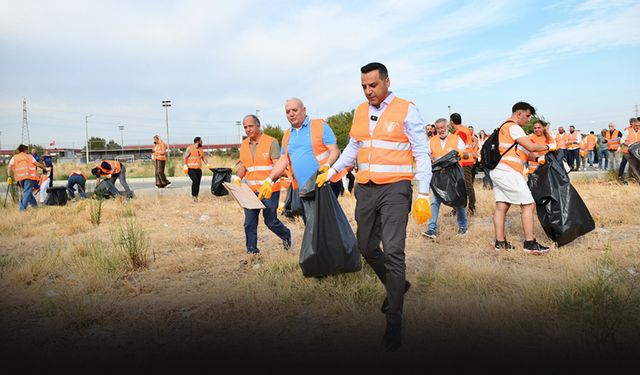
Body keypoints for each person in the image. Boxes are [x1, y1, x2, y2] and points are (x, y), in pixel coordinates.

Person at [315, 62, 432, 352]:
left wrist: (423, 193)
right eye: (364, 87)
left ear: (387, 82)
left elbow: (421, 151)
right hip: (365, 189)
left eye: (373, 86)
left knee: (393, 249)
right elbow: (354, 149)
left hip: (396, 188)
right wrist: (331, 172)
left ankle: (394, 322)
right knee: (366, 247)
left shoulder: (406, 108)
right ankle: (398, 285)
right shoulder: (359, 111)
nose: (369, 91)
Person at [256, 97, 344, 222]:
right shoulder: (287, 135)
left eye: (294, 110)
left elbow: (334, 150)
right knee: (310, 223)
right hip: (304, 188)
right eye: (287, 112)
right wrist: (269, 180)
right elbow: (283, 160)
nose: (291, 114)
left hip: (324, 184)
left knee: (325, 224)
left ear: (304, 110)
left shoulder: (319, 126)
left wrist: (327, 167)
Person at [490, 102, 551, 254]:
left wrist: (538, 159)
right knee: (529, 205)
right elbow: (531, 147)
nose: (529, 120)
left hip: (498, 170)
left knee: (501, 207)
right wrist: (550, 147)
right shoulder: (513, 127)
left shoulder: (502, 128)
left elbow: (525, 152)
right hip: (508, 172)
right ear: (519, 114)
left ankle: (500, 243)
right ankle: (530, 243)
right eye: (528, 116)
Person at [232, 114, 292, 254]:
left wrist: (271, 182)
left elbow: (279, 166)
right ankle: (252, 251)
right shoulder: (244, 145)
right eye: (245, 127)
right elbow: (244, 166)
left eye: (251, 126)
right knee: (249, 223)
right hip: (251, 191)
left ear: (258, 126)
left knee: (270, 222)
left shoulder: (271, 142)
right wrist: (238, 178)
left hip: (269, 190)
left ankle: (286, 235)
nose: (248, 129)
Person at [422, 118, 467, 239]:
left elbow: (465, 153)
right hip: (438, 176)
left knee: (458, 200)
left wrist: (462, 153)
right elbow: (425, 155)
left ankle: (463, 227)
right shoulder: (432, 141)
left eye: (442, 127)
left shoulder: (456, 139)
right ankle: (431, 229)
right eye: (438, 128)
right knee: (435, 201)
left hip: (453, 175)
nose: (441, 130)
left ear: (447, 127)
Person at [450, 113, 477, 216]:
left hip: (464, 162)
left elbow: (458, 149)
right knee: (463, 186)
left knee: (467, 186)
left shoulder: (459, 132)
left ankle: (471, 208)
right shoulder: (463, 129)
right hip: (466, 161)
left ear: (451, 121)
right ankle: (460, 208)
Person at [7, 144, 46, 212]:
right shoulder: (29, 156)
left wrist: (9, 177)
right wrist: (45, 169)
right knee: (27, 192)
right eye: (27, 149)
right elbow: (37, 164)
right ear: (25, 150)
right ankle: (22, 209)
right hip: (28, 176)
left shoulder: (15, 157)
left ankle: (34, 206)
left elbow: (9, 167)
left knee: (27, 192)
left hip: (20, 178)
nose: (28, 151)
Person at [183, 137, 209, 202]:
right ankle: (194, 196)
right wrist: (185, 165)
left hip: (198, 169)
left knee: (198, 183)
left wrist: (208, 164)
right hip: (191, 169)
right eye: (201, 141)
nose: (202, 142)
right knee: (195, 181)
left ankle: (196, 196)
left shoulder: (201, 149)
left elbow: (203, 157)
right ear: (197, 141)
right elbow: (185, 157)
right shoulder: (190, 148)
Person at [619, 117, 640, 183]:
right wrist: (628, 144)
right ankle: (638, 179)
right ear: (632, 125)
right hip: (627, 152)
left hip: (636, 152)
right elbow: (621, 141)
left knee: (633, 166)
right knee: (633, 165)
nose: (637, 127)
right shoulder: (627, 131)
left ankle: (625, 179)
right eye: (636, 126)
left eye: (639, 125)